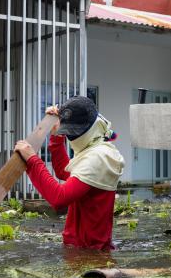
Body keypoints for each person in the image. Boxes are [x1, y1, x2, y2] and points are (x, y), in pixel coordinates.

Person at [14, 96, 125, 250]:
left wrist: (33, 160)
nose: (71, 137)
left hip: (91, 251)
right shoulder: (94, 147)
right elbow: (63, 171)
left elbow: (59, 198)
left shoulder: (99, 156)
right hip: (81, 247)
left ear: (88, 129)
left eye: (72, 132)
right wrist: (56, 135)